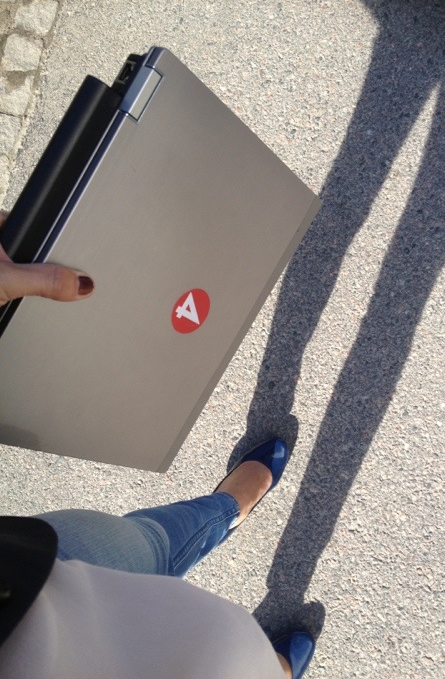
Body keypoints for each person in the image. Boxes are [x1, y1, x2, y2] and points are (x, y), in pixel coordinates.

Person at [0, 210, 315, 678]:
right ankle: (272, 672)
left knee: (153, 545)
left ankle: (225, 510)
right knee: (211, 654)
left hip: (24, 578)